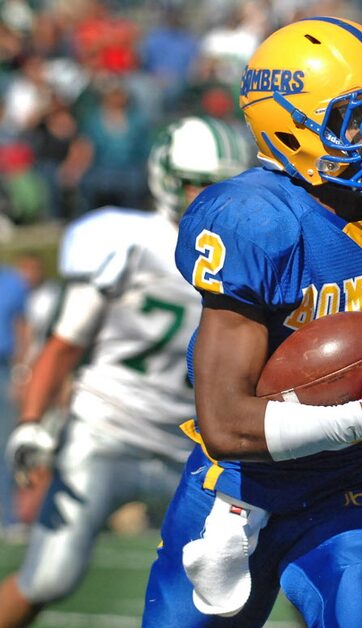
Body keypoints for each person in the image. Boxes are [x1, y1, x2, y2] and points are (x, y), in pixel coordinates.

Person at [141, 17, 362, 627]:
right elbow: (224, 423)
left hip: (354, 485)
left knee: (360, 607)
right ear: (293, 135)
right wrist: (361, 415)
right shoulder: (257, 220)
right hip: (236, 492)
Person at [0, 115, 250, 628]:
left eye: (221, 184)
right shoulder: (126, 240)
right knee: (49, 578)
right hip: (108, 429)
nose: (209, 197)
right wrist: (30, 421)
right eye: (197, 182)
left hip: (191, 444)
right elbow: (65, 345)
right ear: (167, 178)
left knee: (242, 580)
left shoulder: (248, 253)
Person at [0, 261, 29, 536]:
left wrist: (21, 373)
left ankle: (6, 518)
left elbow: (22, 328)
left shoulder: (12, 280)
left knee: (4, 446)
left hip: (3, 369)